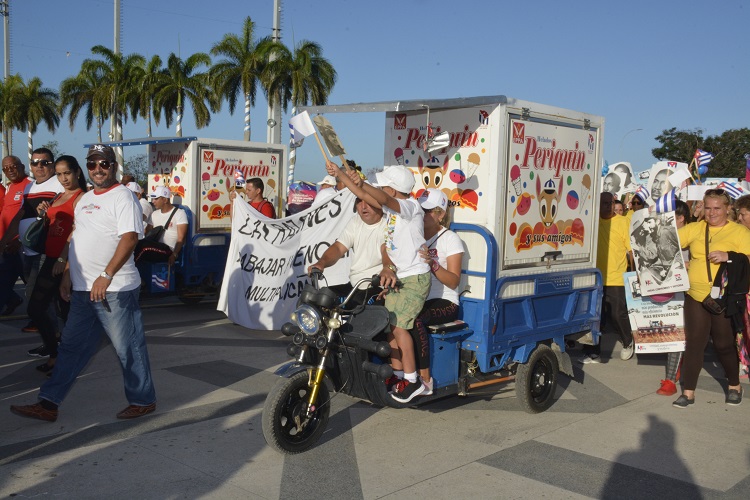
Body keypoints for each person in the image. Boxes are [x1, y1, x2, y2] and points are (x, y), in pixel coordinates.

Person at [9, 144, 156, 422]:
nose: (98, 169)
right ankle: (48, 403)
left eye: (104, 164)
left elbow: (129, 239)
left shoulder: (123, 197)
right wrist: (67, 274)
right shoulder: (86, 199)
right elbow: (76, 237)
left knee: (128, 347)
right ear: (87, 167)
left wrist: (107, 274)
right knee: (71, 347)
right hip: (82, 289)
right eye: (93, 164)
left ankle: (143, 399)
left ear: (113, 167)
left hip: (115, 289)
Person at [327, 161, 431, 403]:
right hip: (400, 278)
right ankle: (397, 375)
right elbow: (363, 195)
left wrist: (361, 182)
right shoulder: (393, 211)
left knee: (399, 327)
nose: (380, 190)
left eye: (383, 186)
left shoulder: (410, 207)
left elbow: (379, 198)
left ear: (392, 190)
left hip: (414, 277)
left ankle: (413, 380)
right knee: (388, 325)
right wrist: (342, 175)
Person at [672, 189, 750, 408]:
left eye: (717, 208)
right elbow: (667, 244)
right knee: (694, 343)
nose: (712, 212)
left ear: (727, 209)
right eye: (708, 208)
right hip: (696, 295)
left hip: (724, 298)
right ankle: (688, 392)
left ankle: (734, 385)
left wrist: (730, 257)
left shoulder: (739, 232)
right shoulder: (695, 229)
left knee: (724, 344)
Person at [26, 156, 86, 374]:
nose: (63, 178)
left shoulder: (82, 198)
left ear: (77, 172)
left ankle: (62, 359)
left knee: (65, 312)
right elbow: (56, 225)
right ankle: (56, 354)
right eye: (59, 174)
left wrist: (64, 260)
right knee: (40, 308)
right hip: (51, 257)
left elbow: (78, 232)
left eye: (67, 173)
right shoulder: (60, 195)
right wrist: (45, 213)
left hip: (68, 260)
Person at [0, 148, 64, 336]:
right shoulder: (30, 187)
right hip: (29, 253)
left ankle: (56, 341)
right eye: (35, 162)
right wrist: (3, 242)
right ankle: (52, 342)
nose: (39, 166)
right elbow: (20, 216)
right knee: (41, 299)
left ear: (52, 164)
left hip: (44, 251)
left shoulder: (58, 184)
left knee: (37, 298)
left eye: (44, 162)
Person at [410, 189, 464, 395]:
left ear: (441, 214)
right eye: (420, 210)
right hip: (419, 296)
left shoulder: (450, 239)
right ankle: (402, 373)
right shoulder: (414, 236)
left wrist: (432, 264)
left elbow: (453, 281)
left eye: (427, 211)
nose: (421, 215)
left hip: (445, 301)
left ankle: (425, 379)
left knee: (415, 319)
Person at [581, 192, 634, 363]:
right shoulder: (591, 221)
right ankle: (593, 351)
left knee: (618, 315)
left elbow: (632, 250)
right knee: (595, 316)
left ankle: (628, 341)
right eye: (604, 203)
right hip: (594, 278)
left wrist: (636, 272)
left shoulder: (623, 222)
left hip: (616, 278)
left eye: (611, 203)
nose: (608, 206)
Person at [308, 197, 387, 306]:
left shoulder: (389, 223)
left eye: (368, 201)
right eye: (359, 202)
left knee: (359, 308)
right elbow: (339, 247)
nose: (363, 206)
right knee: (320, 298)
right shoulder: (355, 221)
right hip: (354, 285)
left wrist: (388, 269)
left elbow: (386, 251)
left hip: (377, 287)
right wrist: (321, 263)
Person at [656, 200, 690, 396]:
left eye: (669, 217)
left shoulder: (693, 234)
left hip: (690, 292)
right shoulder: (663, 236)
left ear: (680, 218)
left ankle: (675, 372)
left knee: (684, 336)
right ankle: (670, 378)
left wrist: (688, 265)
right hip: (668, 291)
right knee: (673, 333)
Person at [0, 156, 32, 317]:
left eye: (13, 166)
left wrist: (20, 240)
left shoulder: (30, 185)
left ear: (22, 166)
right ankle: (13, 301)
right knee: (4, 281)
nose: (10, 170)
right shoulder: (9, 188)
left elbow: (33, 218)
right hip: (6, 246)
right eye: (6, 168)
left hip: (22, 247)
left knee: (31, 284)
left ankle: (42, 319)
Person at [145, 186, 188, 267]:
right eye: (152, 199)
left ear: (165, 199)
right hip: (156, 248)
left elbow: (181, 239)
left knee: (143, 248)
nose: (153, 201)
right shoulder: (154, 214)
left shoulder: (179, 214)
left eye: (156, 199)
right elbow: (147, 232)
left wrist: (174, 255)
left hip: (169, 250)